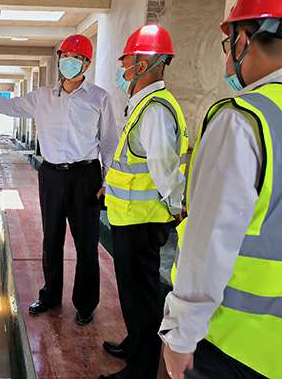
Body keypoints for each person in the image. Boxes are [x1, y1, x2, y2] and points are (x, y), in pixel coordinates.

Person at [160, 0, 282, 378]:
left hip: (238, 346)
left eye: (227, 44)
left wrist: (180, 336)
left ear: (244, 39)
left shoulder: (243, 120)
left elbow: (209, 240)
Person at [0, 34, 118, 325]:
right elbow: (9, 107)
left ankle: (85, 303)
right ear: (59, 59)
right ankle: (50, 296)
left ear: (86, 63)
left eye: (75, 58)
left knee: (86, 243)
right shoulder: (41, 97)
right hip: (52, 175)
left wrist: (108, 182)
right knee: (51, 238)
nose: (68, 62)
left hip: (85, 176)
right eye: (65, 56)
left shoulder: (99, 98)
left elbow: (109, 142)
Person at [101, 25, 188, 379]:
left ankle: (141, 367)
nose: (122, 69)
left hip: (143, 220)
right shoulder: (142, 106)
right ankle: (135, 342)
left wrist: (175, 210)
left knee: (142, 294)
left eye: (126, 62)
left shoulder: (154, 110)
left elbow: (165, 169)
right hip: (130, 218)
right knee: (132, 291)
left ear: (143, 64)